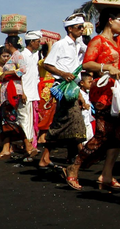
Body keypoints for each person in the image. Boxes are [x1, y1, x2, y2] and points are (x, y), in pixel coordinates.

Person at [67, 7, 120, 191]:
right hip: (102, 91)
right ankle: (74, 167)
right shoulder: (98, 41)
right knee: (102, 133)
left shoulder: (116, 41)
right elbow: (87, 63)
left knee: (118, 136)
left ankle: (106, 175)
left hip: (116, 90)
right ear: (109, 20)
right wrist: (107, 67)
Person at [38, 15, 89, 175]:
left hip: (73, 87)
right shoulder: (61, 45)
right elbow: (47, 63)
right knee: (75, 122)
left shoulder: (77, 45)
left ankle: (46, 156)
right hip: (64, 86)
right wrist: (63, 73)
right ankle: (81, 156)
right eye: (79, 27)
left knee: (63, 122)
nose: (82, 29)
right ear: (70, 29)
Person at [13, 31, 43, 157]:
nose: (39, 44)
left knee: (30, 122)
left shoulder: (33, 56)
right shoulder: (22, 55)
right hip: (26, 94)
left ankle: (30, 146)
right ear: (31, 42)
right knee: (24, 121)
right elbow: (18, 74)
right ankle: (28, 146)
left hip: (33, 93)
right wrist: (22, 92)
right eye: (37, 41)